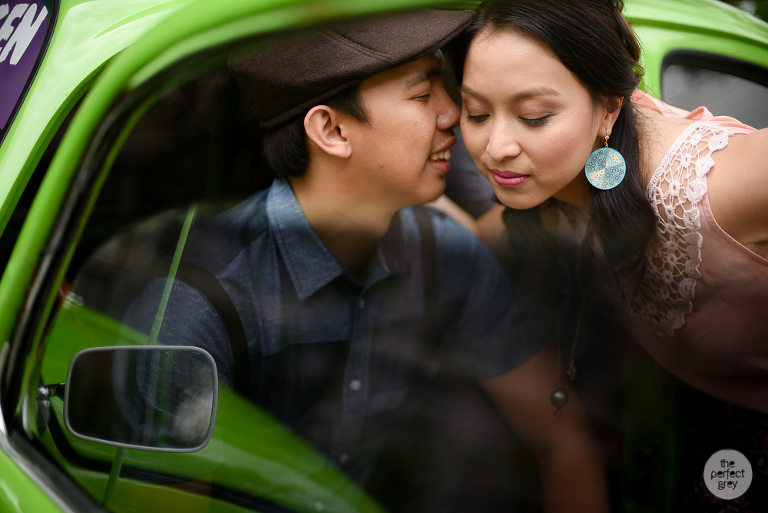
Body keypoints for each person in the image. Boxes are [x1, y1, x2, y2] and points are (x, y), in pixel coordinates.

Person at [121, 8, 609, 513]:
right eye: (423, 95)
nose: (453, 114)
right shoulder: (197, 305)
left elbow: (563, 441)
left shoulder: (445, 256)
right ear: (331, 130)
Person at [455, 0, 768, 508]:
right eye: (477, 113)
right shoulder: (554, 197)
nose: (497, 146)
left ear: (608, 107)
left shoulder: (713, 187)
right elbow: (473, 242)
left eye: (533, 117)